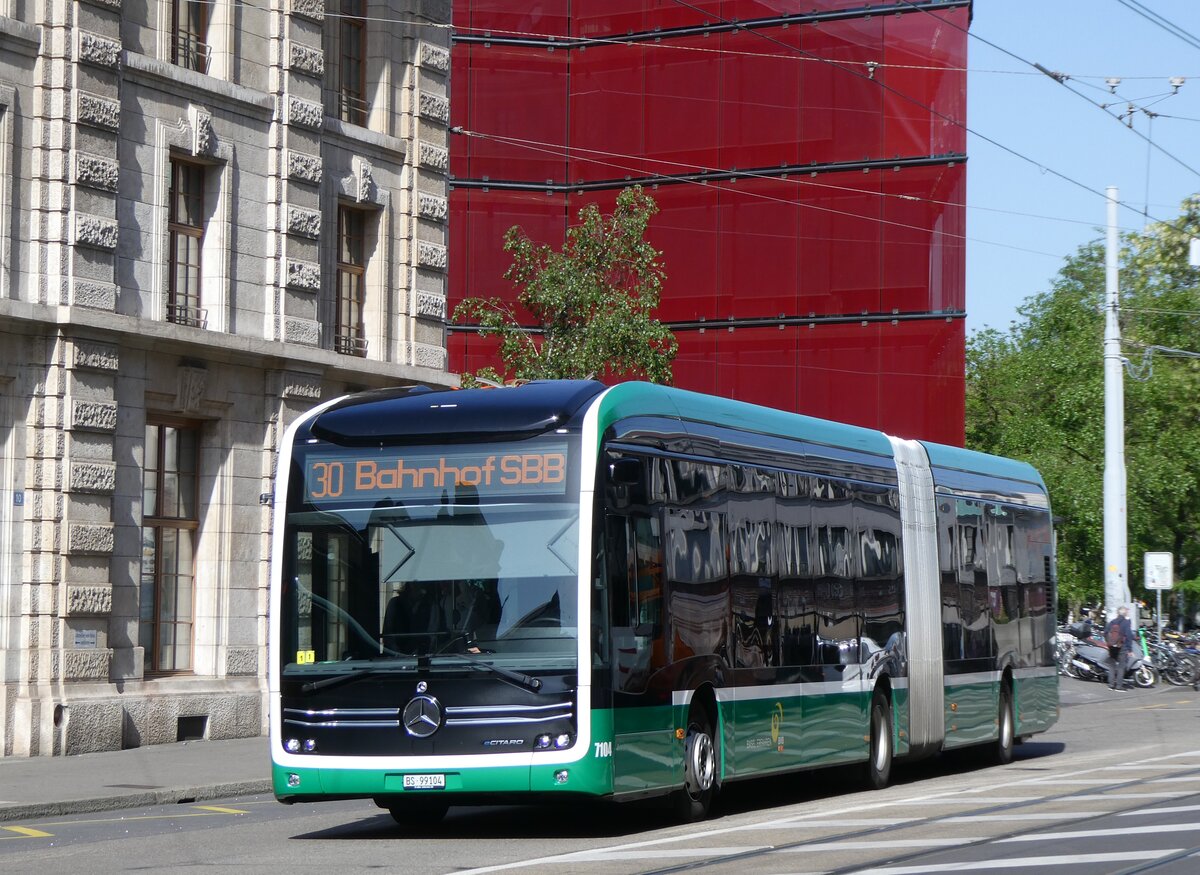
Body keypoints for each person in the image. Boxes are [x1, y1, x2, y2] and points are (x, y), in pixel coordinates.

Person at [1105, 605, 1134, 690]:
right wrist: (1130, 649)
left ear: (1117, 613)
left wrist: (1109, 643)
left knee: (1112, 665)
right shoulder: (1126, 623)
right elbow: (1129, 636)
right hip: (1122, 646)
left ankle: (1110, 685)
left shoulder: (1112, 622)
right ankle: (1119, 686)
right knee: (1121, 666)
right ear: (1125, 613)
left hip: (1112, 647)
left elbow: (1105, 632)